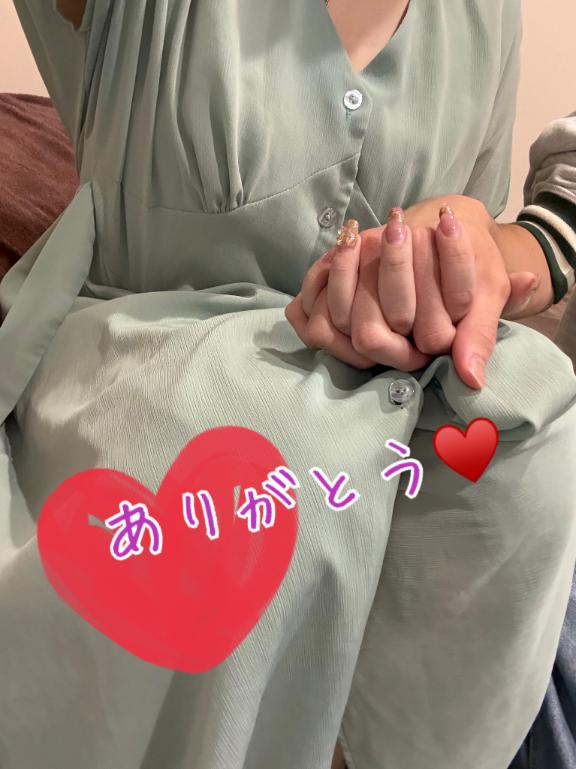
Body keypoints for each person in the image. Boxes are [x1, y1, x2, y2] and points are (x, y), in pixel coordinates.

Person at [1, 3, 576, 769]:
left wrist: (470, 248)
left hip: (431, 643)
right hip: (145, 464)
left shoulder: (484, 16)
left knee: (528, 421)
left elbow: (487, 233)